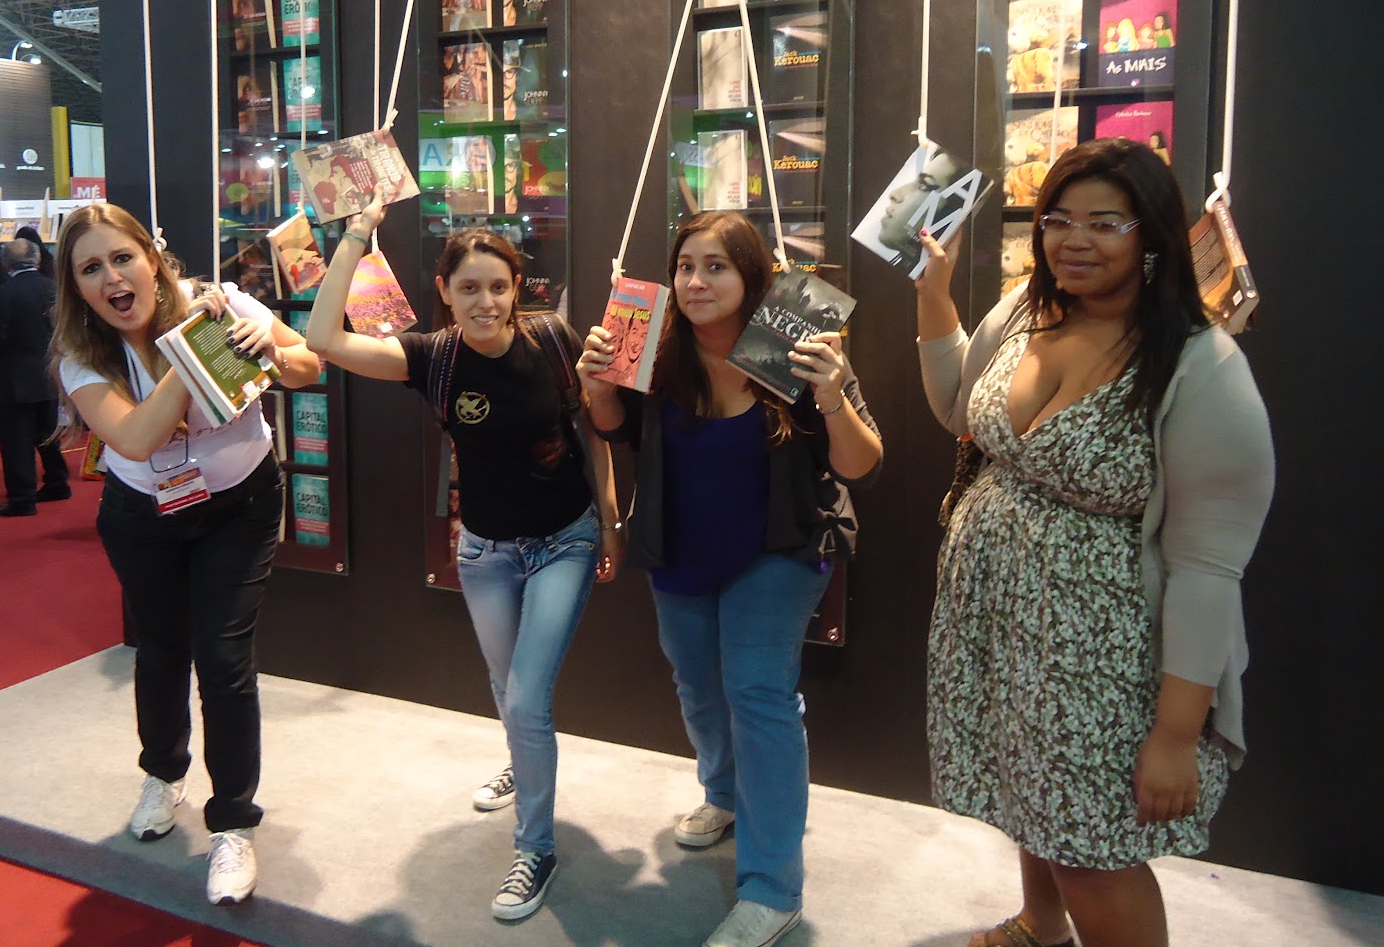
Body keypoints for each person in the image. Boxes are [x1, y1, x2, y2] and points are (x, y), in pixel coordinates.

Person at [913, 140, 1274, 947]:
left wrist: (1175, 736)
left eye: (1105, 223)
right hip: (1004, 621)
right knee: (1030, 789)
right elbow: (960, 411)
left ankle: (1061, 913)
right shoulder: (1024, 309)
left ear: (1152, 236)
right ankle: (1041, 924)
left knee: (1092, 849)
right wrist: (933, 295)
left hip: (1104, 655)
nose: (1074, 240)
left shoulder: (1200, 366)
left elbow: (1208, 571)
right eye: (1058, 220)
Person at [304, 189, 622, 924]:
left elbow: (595, 433)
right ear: (444, 292)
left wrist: (610, 521)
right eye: (469, 288)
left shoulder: (554, 340)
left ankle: (535, 848)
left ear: (517, 289)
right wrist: (356, 236)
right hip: (484, 549)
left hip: (564, 538)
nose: (486, 302)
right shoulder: (432, 357)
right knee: (506, 682)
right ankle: (521, 761)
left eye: (498, 287)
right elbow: (324, 338)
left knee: (529, 697)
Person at [578, 212, 882, 947]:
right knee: (696, 682)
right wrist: (595, 385)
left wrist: (833, 393)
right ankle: (723, 792)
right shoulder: (656, 345)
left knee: (758, 692)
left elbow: (862, 464)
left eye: (716, 266)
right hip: (681, 546)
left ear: (753, 275)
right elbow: (616, 429)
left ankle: (772, 888)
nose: (695, 281)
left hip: (779, 547)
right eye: (685, 266)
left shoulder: (796, 345)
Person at [51, 203, 320, 906]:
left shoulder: (222, 301)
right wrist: (192, 347)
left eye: (122, 257)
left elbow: (307, 365)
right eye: (91, 268)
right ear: (76, 288)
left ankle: (232, 821)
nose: (113, 277)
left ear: (152, 257)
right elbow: (137, 437)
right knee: (162, 648)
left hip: (240, 506)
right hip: (142, 515)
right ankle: (164, 773)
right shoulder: (83, 358)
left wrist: (265, 345)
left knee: (224, 660)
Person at [0, 237, 70, 516]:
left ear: (5, 263)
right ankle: (57, 483)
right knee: (48, 433)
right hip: (50, 371)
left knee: (17, 440)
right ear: (38, 259)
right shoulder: (53, 288)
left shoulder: (3, 294)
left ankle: (22, 497)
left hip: (15, 377)